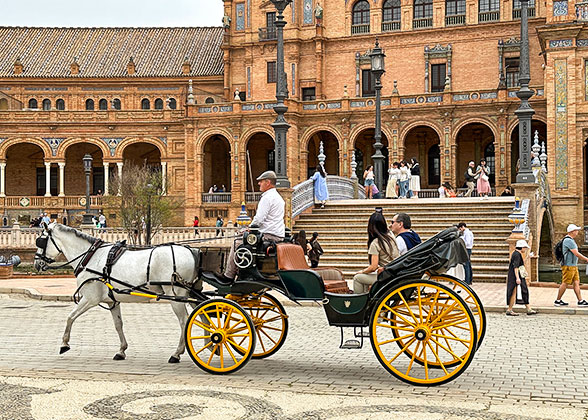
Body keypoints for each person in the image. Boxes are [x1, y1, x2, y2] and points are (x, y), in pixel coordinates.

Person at [217, 170, 285, 282]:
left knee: (237, 242)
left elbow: (259, 219)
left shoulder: (267, 198)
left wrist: (249, 229)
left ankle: (228, 275)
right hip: (277, 235)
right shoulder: (278, 197)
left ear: (268, 182)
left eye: (261, 181)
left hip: (268, 235)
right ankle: (239, 271)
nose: (259, 184)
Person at [353, 211, 399, 293]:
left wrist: (362, 271)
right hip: (394, 272)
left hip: (386, 276)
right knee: (364, 277)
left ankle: (360, 302)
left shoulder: (376, 243)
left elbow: (373, 267)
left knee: (357, 278)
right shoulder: (390, 235)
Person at [554, 224, 588, 306]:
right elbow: (576, 253)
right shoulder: (569, 241)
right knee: (565, 283)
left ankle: (580, 301)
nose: (577, 232)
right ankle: (557, 301)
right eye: (576, 230)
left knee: (576, 282)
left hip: (572, 265)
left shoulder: (569, 240)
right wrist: (586, 259)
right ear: (572, 231)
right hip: (568, 266)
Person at [506, 240, 538, 316]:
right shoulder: (517, 255)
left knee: (516, 291)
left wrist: (527, 257)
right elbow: (516, 267)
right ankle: (526, 308)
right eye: (525, 248)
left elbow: (520, 263)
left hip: (516, 274)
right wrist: (517, 278)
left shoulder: (516, 254)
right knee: (519, 291)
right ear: (522, 247)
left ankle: (512, 309)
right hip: (516, 275)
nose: (525, 249)